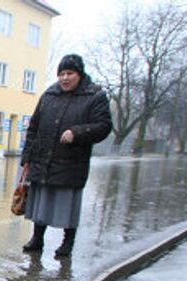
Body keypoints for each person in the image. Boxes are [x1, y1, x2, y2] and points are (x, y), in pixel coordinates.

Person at [20, 54, 112, 257]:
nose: (65, 78)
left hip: (71, 162)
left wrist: (77, 133)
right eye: (61, 74)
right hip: (43, 159)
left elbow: (104, 126)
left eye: (70, 73)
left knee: (67, 204)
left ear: (79, 74)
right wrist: (26, 158)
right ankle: (37, 239)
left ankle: (67, 242)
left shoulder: (94, 96)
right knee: (41, 200)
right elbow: (33, 127)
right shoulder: (49, 95)